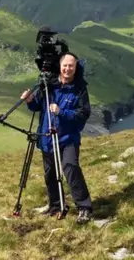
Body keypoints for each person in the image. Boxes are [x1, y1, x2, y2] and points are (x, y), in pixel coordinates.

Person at [20, 52, 93, 224]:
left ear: (76, 68)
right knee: (50, 173)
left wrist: (62, 112)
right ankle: (55, 205)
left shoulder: (80, 89)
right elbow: (38, 106)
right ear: (60, 66)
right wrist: (30, 100)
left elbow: (84, 113)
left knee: (71, 167)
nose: (68, 69)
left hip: (68, 138)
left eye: (71, 66)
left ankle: (84, 207)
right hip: (47, 137)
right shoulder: (49, 86)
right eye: (65, 65)